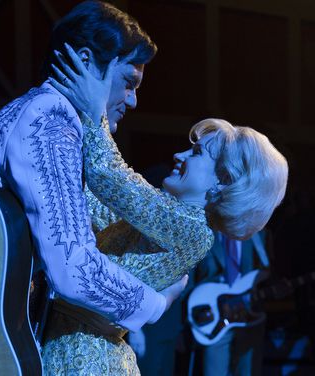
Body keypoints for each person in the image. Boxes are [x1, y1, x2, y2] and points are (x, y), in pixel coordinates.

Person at [0, 0, 185, 352]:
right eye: (128, 82)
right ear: (86, 62)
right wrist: (155, 305)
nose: (133, 100)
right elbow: (71, 265)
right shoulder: (50, 118)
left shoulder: (49, 114)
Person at [43, 45, 288, 374]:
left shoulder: (192, 228)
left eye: (197, 153)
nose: (180, 155)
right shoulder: (171, 216)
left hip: (82, 358)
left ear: (222, 182)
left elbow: (109, 175)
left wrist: (95, 103)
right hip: (74, 343)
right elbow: (90, 205)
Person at [186, 231, 270, 376]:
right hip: (215, 318)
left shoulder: (258, 232)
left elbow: (267, 271)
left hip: (249, 316)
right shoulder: (203, 230)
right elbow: (189, 281)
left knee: (248, 370)